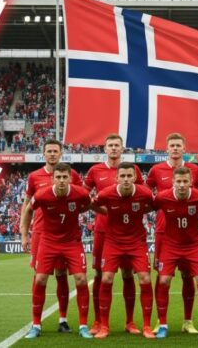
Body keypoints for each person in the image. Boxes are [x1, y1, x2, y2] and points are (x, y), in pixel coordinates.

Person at [145, 132, 198, 334]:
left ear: (184, 148)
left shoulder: (194, 170)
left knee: (188, 276)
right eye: (172, 145)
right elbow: (145, 193)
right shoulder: (156, 170)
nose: (175, 148)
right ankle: (160, 320)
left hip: (188, 233)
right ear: (167, 148)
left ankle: (187, 321)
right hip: (163, 231)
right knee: (162, 277)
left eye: (178, 145)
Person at [20, 163, 92, 339]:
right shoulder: (42, 195)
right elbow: (28, 210)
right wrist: (24, 233)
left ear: (70, 178)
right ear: (52, 179)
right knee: (40, 278)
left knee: (81, 279)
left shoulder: (81, 193)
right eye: (58, 177)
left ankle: (83, 326)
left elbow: (88, 205)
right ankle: (36, 325)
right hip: (48, 242)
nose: (61, 180)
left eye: (64, 177)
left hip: (72, 242)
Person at [83, 134, 144, 335]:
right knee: (100, 275)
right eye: (110, 145)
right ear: (105, 149)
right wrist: (104, 212)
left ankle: (130, 322)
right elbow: (84, 196)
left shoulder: (132, 170)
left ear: (122, 148)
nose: (114, 148)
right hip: (103, 231)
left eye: (117, 145)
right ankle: (98, 321)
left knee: (127, 274)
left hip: (128, 232)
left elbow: (142, 194)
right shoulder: (95, 171)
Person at [91, 162, 155, 339]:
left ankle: (142, 325)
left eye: (129, 176)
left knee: (144, 278)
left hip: (136, 242)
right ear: (117, 178)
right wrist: (105, 212)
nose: (126, 179)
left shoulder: (144, 193)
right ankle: (104, 326)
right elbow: (92, 204)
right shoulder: (107, 193)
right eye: (123, 176)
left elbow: (154, 205)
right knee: (106, 278)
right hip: (113, 242)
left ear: (135, 177)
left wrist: (140, 210)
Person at [152, 167, 198, 338]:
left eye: (185, 181)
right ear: (173, 182)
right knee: (163, 281)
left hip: (193, 246)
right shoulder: (162, 197)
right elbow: (147, 207)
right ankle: (163, 325)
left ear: (191, 182)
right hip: (170, 246)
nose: (181, 185)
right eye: (178, 181)